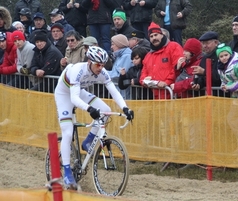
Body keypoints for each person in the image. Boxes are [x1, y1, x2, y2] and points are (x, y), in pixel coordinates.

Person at [54, 46, 134, 187]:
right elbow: (74, 98)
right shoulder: (78, 70)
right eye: (98, 64)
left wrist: (125, 108)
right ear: (89, 61)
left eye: (103, 65)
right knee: (67, 133)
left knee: (105, 110)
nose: (100, 68)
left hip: (80, 92)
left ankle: (88, 141)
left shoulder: (102, 72)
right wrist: (89, 109)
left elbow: (114, 91)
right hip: (64, 95)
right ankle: (67, 172)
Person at [139, 22, 183, 99]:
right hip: (156, 96)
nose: (154, 38)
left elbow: (177, 68)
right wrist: (143, 81)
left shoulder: (174, 47)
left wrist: (167, 82)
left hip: (173, 94)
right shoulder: (148, 56)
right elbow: (144, 73)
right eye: (151, 36)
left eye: (156, 35)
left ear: (162, 35)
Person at [192, 31, 225, 97]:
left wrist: (204, 72)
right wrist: (198, 84)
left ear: (216, 42)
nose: (204, 46)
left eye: (207, 43)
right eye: (203, 43)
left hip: (222, 95)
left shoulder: (222, 56)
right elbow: (201, 77)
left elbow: (221, 77)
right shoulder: (204, 58)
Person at [108, 34, 133, 99]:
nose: (111, 47)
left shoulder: (127, 56)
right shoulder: (119, 56)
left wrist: (103, 73)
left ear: (119, 44)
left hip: (124, 94)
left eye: (113, 44)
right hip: (119, 92)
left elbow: (119, 75)